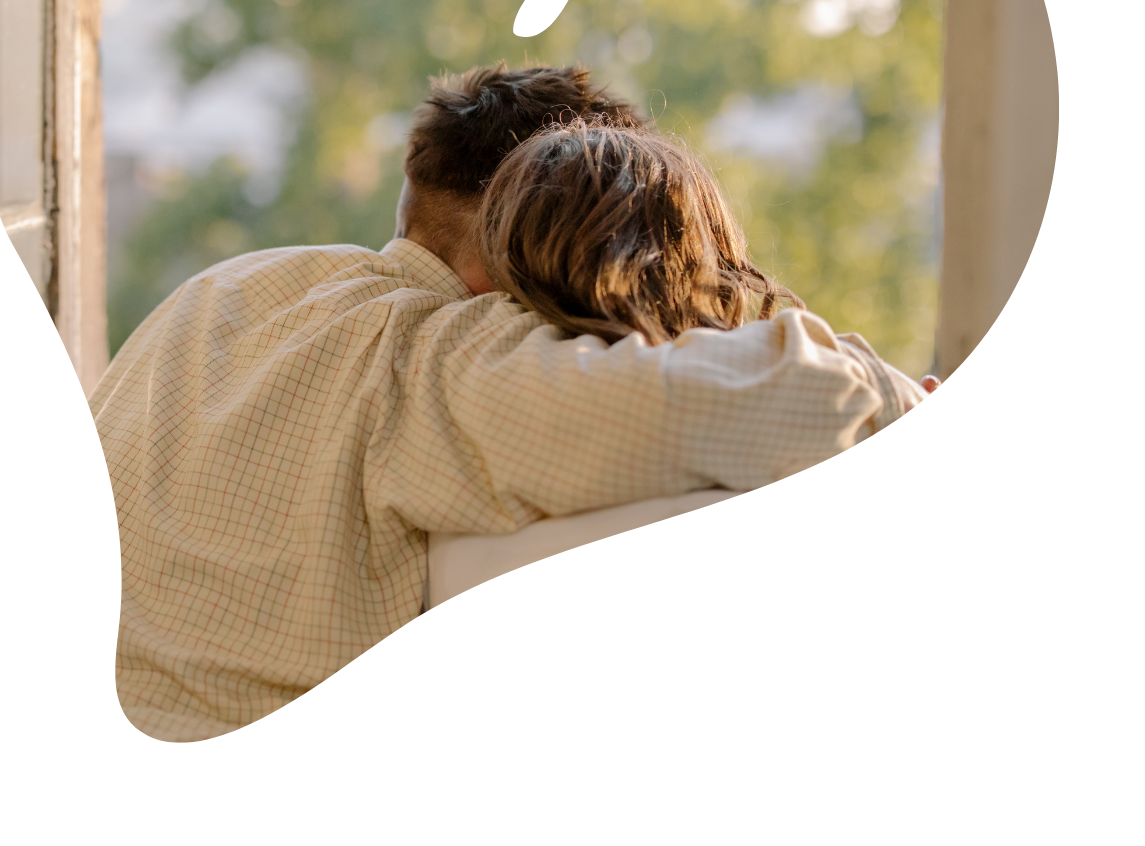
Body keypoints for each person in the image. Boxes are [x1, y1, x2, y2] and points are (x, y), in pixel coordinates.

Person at [94, 62, 935, 738]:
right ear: (516, 234)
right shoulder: (446, 360)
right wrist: (934, 408)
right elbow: (786, 404)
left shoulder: (223, 292)